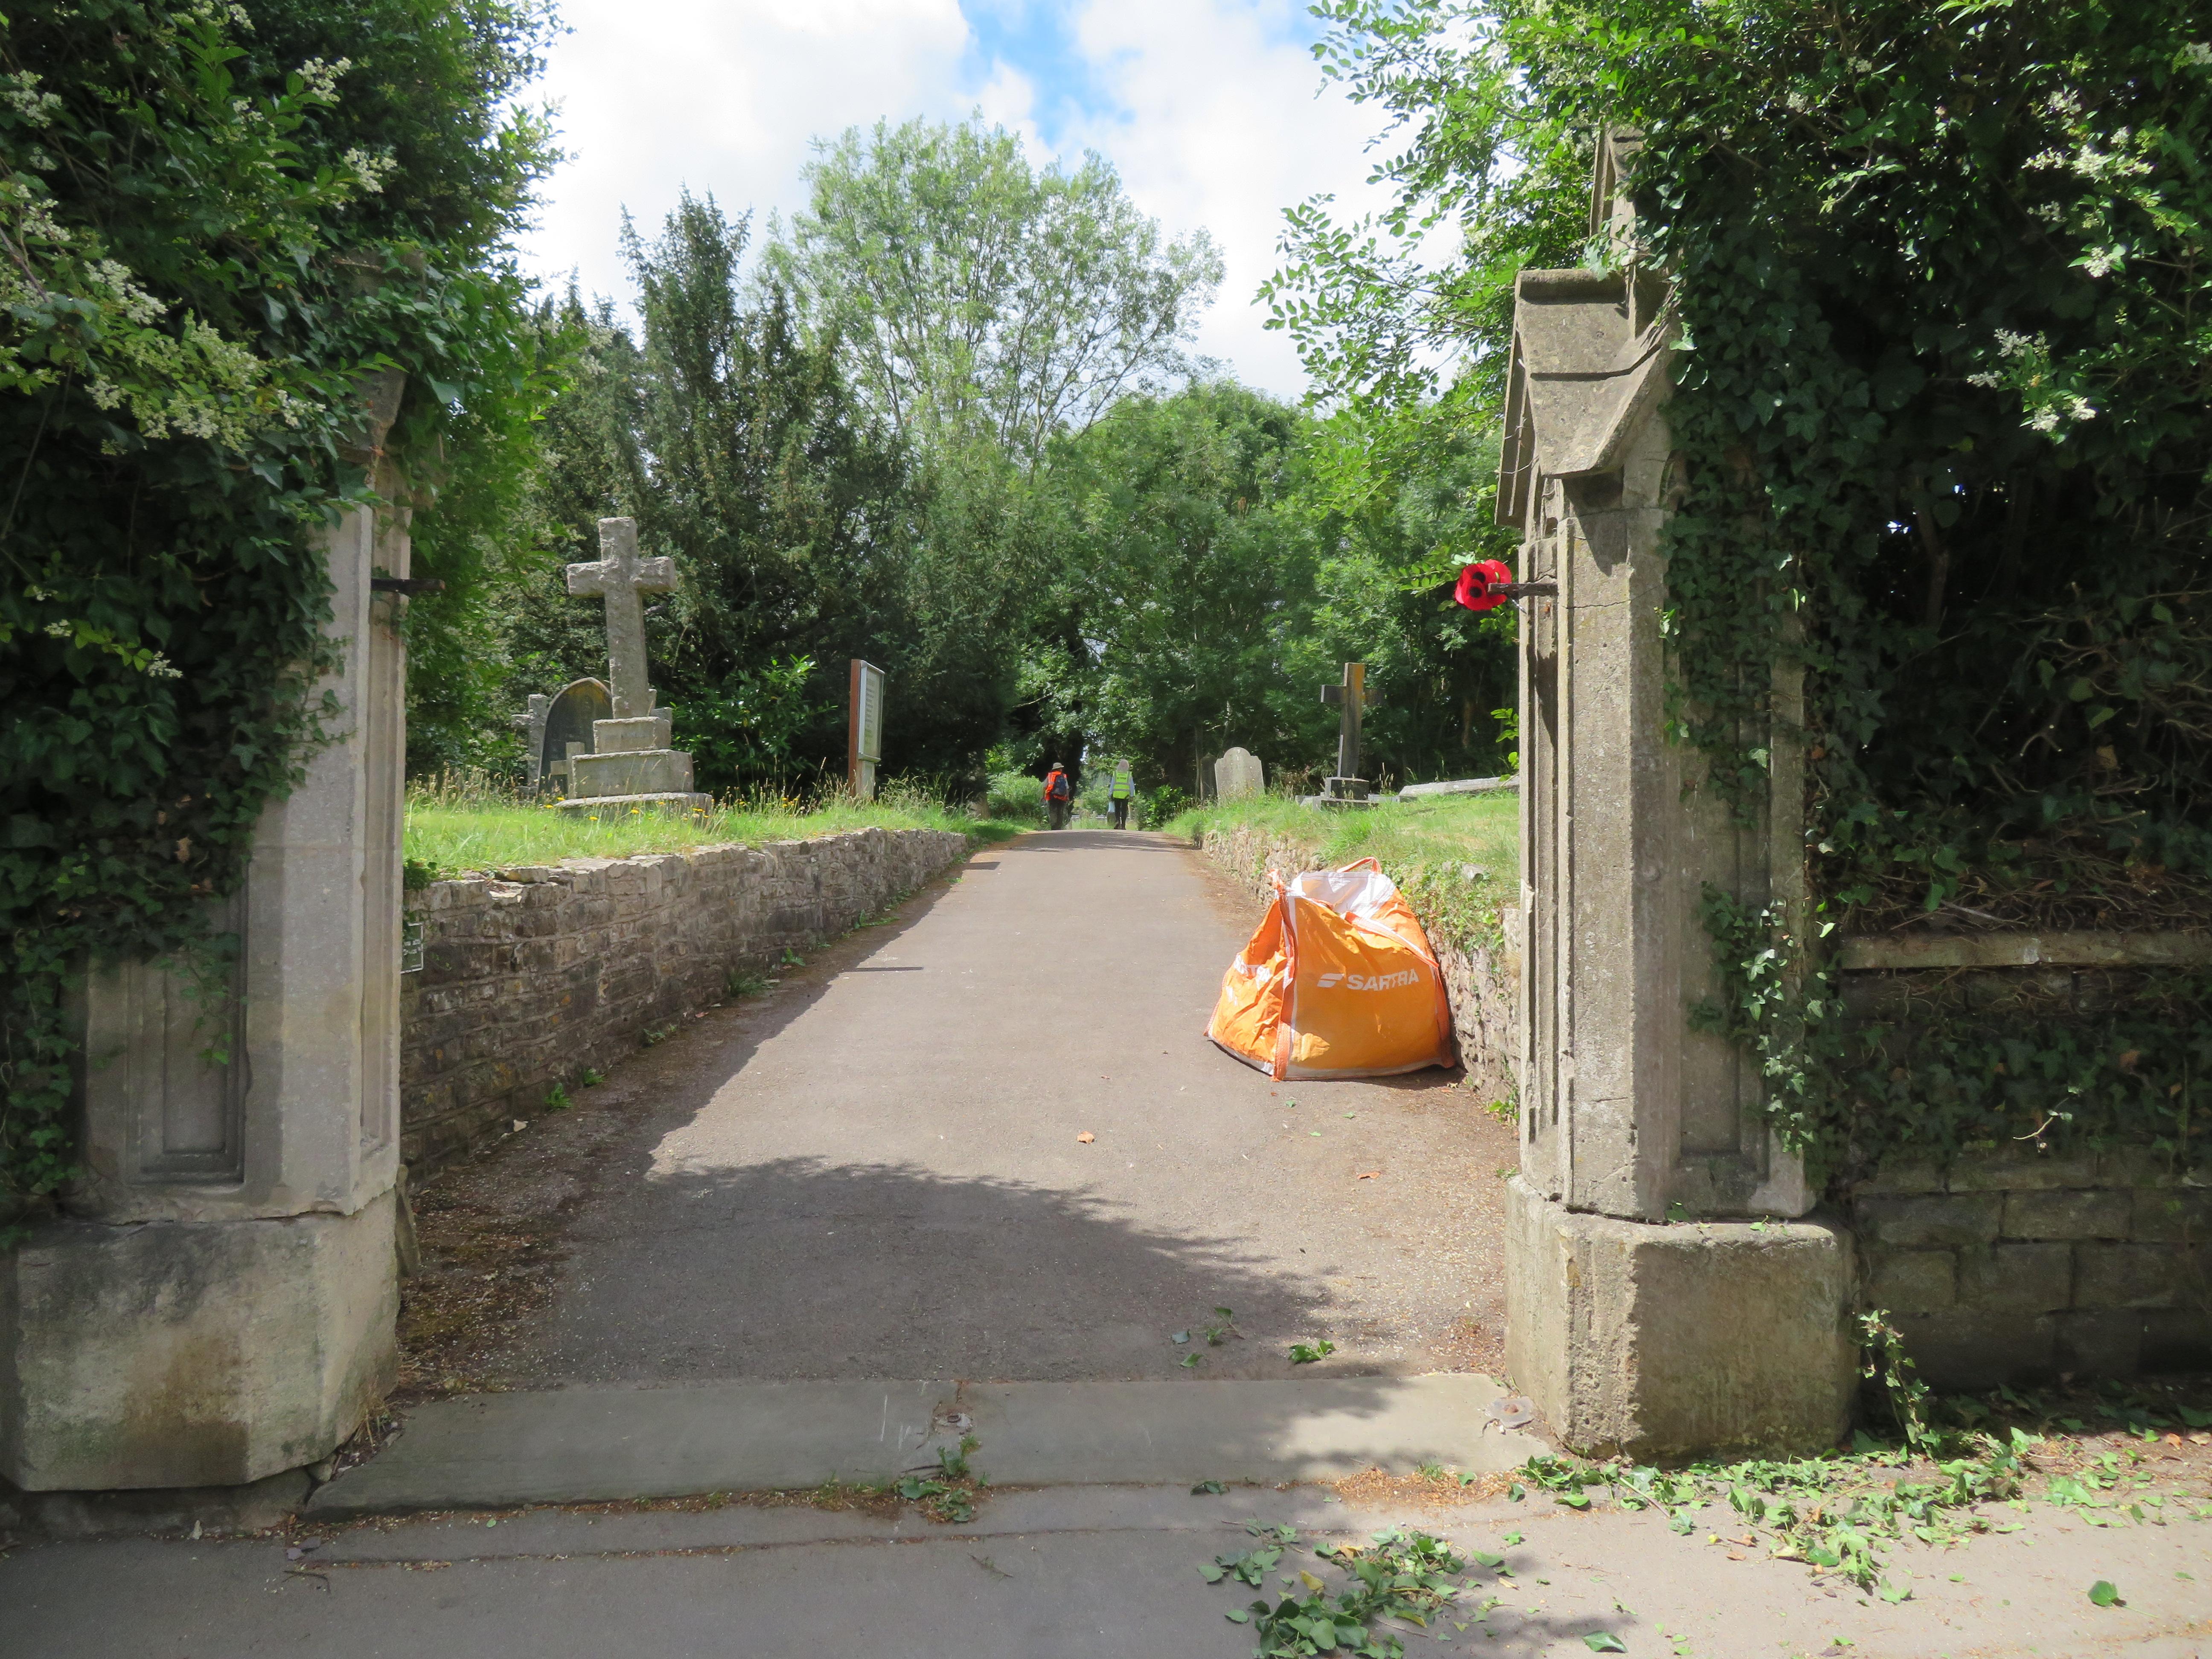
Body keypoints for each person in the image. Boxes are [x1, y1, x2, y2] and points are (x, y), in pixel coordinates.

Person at [1042, 761, 1072, 829]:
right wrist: (1067, 797)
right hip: (1062, 797)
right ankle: (1059, 826)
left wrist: (1044, 796)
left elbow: (1044, 787)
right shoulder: (1064, 776)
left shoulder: (1050, 776)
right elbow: (1067, 788)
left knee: (1053, 811)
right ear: (1060, 769)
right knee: (1060, 811)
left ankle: (1053, 826)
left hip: (1052, 797)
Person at [1108, 759, 1134, 829]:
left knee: (1117, 809)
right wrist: (1132, 795)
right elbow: (1132, 786)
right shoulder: (1129, 774)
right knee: (1124, 810)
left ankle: (1118, 822)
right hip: (1126, 795)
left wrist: (1110, 794)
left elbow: (1112, 784)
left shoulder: (1116, 774)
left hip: (1117, 794)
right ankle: (1123, 826)